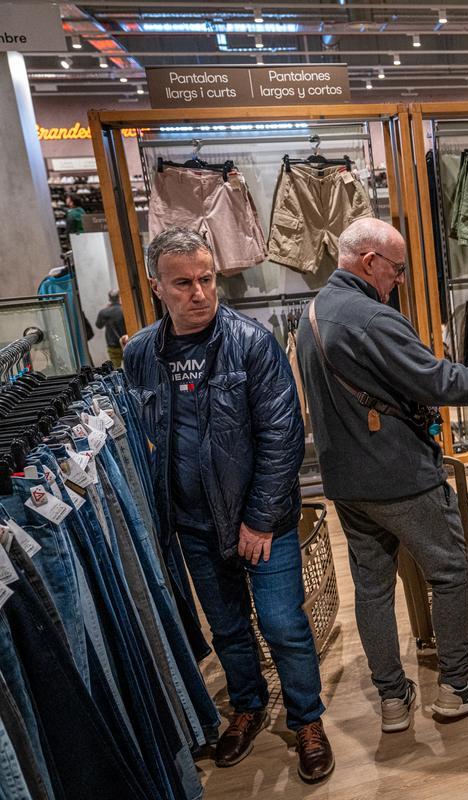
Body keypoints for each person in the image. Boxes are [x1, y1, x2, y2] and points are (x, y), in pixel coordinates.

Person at [296, 217, 468, 734]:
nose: (398, 280)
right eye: (395, 270)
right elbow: (445, 382)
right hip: (399, 475)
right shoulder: (370, 318)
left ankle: (394, 700)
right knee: (448, 571)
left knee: (372, 587)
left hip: (347, 481)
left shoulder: (315, 311)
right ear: (370, 261)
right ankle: (458, 686)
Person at [123, 228, 335, 783]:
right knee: (228, 627)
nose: (199, 292)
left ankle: (307, 718)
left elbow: (282, 435)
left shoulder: (252, 343)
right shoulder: (141, 354)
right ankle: (246, 705)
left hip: (263, 522)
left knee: (284, 623)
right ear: (157, 288)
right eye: (184, 283)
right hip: (192, 525)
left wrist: (261, 520)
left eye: (207, 278)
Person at [94, 289, 126, 367]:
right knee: (131, 368)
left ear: (109, 299)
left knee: (116, 369)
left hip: (112, 345)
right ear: (119, 297)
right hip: (126, 342)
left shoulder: (104, 312)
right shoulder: (124, 310)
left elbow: (98, 325)